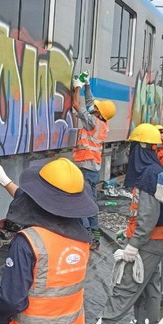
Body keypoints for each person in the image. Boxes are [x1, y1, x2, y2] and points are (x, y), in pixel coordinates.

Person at [0, 154, 96, 324]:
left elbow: (12, 301)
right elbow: (47, 208)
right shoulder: (81, 236)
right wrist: (6, 182)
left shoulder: (29, 243)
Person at [100, 123, 163, 324]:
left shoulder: (149, 175)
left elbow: (148, 216)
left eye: (132, 147)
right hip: (156, 239)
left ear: (140, 148)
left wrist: (133, 245)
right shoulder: (155, 170)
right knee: (149, 288)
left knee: (127, 286)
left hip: (149, 241)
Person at [71, 73, 116, 250]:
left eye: (97, 109)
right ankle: (94, 238)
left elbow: (76, 105)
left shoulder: (91, 122)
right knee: (91, 204)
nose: (94, 108)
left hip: (85, 168)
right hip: (93, 169)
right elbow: (91, 104)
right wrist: (88, 86)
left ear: (99, 113)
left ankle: (87, 237)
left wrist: (77, 87)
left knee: (83, 204)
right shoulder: (101, 123)